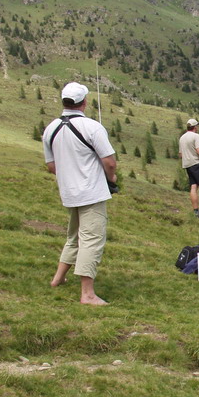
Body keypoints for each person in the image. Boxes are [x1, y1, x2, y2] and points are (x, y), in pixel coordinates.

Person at [42, 82, 117, 305]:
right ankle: (87, 294)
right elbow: (109, 162)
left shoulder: (51, 129)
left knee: (73, 236)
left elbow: (51, 166)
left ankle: (58, 279)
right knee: (92, 240)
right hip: (91, 192)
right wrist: (111, 179)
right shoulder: (92, 127)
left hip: (69, 193)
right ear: (84, 102)